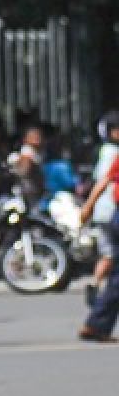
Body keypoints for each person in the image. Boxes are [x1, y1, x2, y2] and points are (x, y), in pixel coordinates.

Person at [84, 114, 119, 306]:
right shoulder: (112, 152)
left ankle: (95, 285)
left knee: (109, 253)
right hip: (110, 209)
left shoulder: (106, 151)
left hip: (104, 210)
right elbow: (105, 180)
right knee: (110, 254)